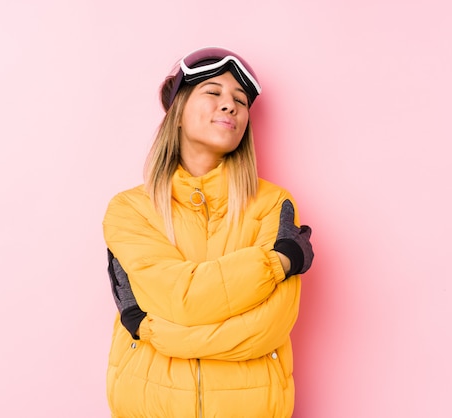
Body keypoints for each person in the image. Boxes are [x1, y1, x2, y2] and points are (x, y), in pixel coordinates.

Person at [102, 46, 314, 418]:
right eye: (213, 92)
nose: (230, 105)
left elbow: (268, 326)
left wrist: (154, 330)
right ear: (178, 112)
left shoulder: (273, 204)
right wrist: (278, 261)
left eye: (240, 100)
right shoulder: (129, 209)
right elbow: (182, 297)